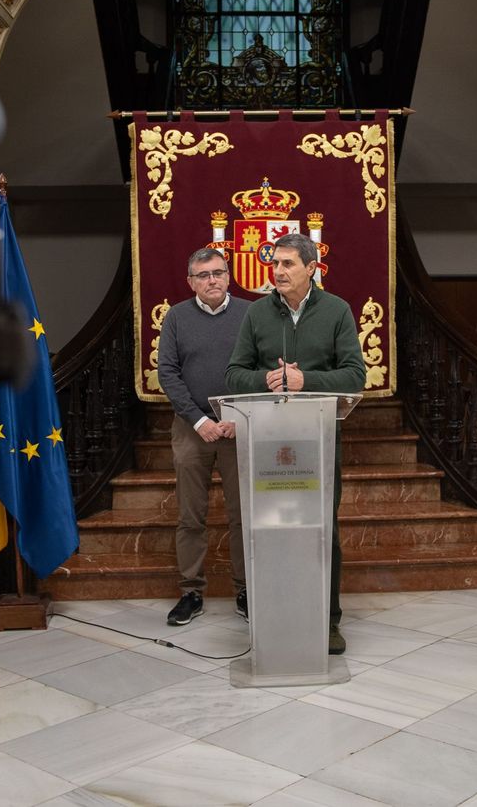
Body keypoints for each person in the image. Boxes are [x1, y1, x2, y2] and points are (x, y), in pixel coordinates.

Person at [225, 233, 366, 655]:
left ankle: (327, 622)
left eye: (288, 264)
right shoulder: (257, 315)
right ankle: (276, 615)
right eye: (276, 264)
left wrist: (308, 381)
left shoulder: (337, 310)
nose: (278, 271)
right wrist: (264, 380)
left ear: (311, 267)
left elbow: (355, 375)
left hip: (318, 437)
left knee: (322, 527)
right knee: (273, 527)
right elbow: (234, 374)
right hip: (267, 438)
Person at [158, 248, 251, 625]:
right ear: (191, 282)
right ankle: (191, 592)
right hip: (192, 428)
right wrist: (199, 421)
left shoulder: (251, 314)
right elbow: (168, 373)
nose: (212, 280)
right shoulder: (177, 317)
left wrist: (239, 418)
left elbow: (262, 368)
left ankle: (246, 590)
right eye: (203, 275)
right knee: (190, 516)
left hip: (239, 426)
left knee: (243, 515)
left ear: (228, 276)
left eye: (218, 272)